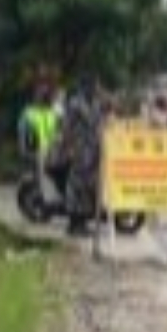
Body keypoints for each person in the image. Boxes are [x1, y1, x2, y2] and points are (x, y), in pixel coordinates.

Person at [60, 78, 103, 237]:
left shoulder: (95, 104)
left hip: (92, 151)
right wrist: (68, 148)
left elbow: (98, 125)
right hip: (79, 150)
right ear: (87, 87)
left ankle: (83, 223)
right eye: (94, 86)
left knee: (87, 187)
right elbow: (66, 127)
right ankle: (74, 223)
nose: (97, 89)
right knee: (76, 186)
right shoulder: (75, 104)